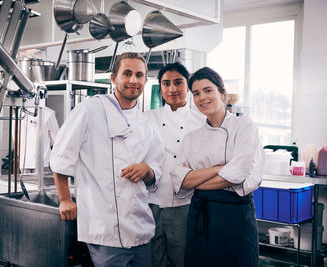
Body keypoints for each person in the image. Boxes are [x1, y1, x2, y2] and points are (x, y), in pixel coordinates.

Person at [49, 52, 164, 267]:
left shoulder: (146, 122)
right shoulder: (90, 109)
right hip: (105, 227)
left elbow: (156, 169)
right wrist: (65, 198)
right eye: (127, 74)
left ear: (145, 81)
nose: (133, 80)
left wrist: (146, 169)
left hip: (140, 227)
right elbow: (61, 156)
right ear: (114, 78)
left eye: (139, 75)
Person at [171, 67, 264, 267]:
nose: (201, 97)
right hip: (201, 217)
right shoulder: (192, 137)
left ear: (222, 94)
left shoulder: (244, 126)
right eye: (196, 93)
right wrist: (217, 169)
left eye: (208, 90)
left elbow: (236, 175)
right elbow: (179, 179)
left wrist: (197, 181)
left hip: (235, 216)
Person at [143, 62, 203, 267]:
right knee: (153, 260)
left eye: (178, 82)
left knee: (183, 260)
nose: (172, 89)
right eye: (166, 83)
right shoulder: (147, 118)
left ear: (188, 86)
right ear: (160, 87)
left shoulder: (202, 121)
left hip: (186, 203)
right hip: (151, 202)